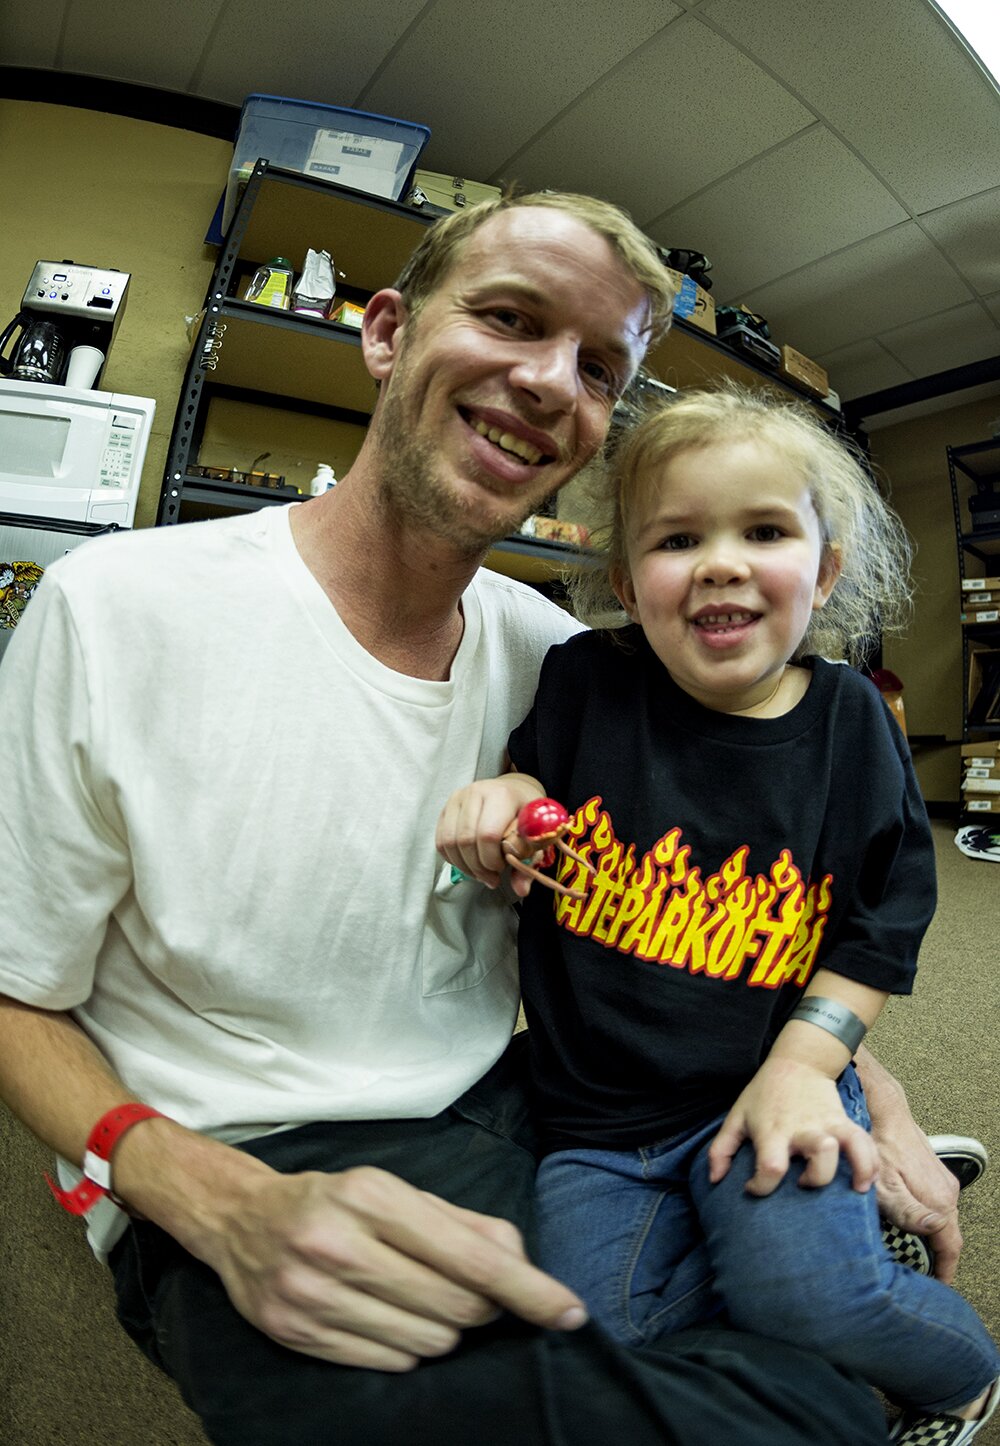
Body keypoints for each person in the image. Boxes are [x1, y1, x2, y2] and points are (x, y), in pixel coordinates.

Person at [0, 192, 953, 1446]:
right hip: (250, 1144)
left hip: (539, 1093)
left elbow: (744, 895)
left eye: (600, 368)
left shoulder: (575, 666)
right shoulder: (116, 606)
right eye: (508, 318)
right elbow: (16, 992)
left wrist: (851, 1083)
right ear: (386, 331)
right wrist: (203, 1193)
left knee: (790, 1319)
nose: (551, 381)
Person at [437, 385, 1000, 1444]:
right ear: (625, 582)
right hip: (594, 1126)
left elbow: (882, 923)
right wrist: (508, 798)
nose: (721, 563)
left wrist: (805, 1070)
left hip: (768, 1080)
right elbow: (538, 785)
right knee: (593, 1344)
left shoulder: (849, 721)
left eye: (766, 532)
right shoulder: (586, 679)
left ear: (823, 572)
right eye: (677, 538)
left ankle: (965, 1378)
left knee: (812, 1299)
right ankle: (842, 1224)